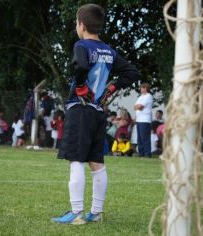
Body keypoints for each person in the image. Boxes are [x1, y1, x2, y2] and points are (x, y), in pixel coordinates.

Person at [51, 4, 139, 224]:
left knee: (76, 160)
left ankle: (76, 213)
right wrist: (112, 88)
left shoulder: (82, 45)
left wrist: (80, 84)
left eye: (76, 24)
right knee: (96, 162)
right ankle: (96, 213)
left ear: (81, 25)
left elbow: (80, 65)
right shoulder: (109, 51)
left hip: (79, 109)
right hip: (98, 112)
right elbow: (131, 72)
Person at [134, 83, 153, 157]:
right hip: (139, 119)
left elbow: (141, 107)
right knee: (139, 137)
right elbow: (134, 106)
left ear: (145, 88)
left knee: (145, 137)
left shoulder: (148, 96)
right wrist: (137, 106)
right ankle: (141, 152)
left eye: (142, 88)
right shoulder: (141, 97)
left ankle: (147, 153)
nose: (140, 89)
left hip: (145, 120)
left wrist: (137, 106)